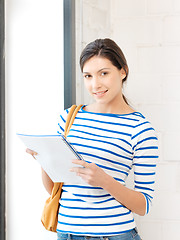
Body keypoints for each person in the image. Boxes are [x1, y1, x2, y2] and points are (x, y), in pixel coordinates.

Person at [27, 38, 158, 240]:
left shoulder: (140, 129)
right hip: (67, 233)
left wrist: (105, 181)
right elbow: (55, 190)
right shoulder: (68, 119)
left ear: (123, 71)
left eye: (103, 73)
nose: (95, 84)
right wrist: (45, 160)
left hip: (114, 235)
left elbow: (144, 205)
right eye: (88, 76)